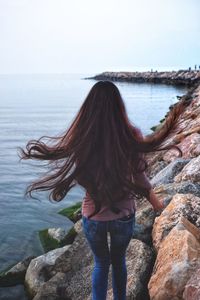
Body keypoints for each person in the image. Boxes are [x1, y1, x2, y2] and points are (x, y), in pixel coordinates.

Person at [19, 80, 186, 300]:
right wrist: (156, 204)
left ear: (89, 107)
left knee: (100, 264)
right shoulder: (130, 133)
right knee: (118, 263)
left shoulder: (82, 135)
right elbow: (141, 179)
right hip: (124, 215)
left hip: (93, 216)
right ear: (118, 105)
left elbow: (82, 176)